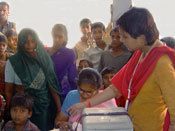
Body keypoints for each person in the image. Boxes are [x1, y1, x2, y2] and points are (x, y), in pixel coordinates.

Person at [67, 7, 175, 131]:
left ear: (141, 37)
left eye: (125, 36)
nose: (122, 40)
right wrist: (85, 104)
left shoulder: (162, 63)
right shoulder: (140, 54)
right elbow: (116, 88)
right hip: (133, 125)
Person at [5, 28, 61, 131]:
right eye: (26, 42)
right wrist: (9, 110)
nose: (30, 45)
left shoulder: (44, 58)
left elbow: (51, 85)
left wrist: (59, 109)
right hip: (21, 109)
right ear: (20, 43)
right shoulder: (14, 62)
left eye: (32, 41)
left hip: (43, 107)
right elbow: (8, 90)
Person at [48, 24, 77, 102]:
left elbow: (72, 77)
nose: (56, 39)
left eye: (60, 37)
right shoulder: (44, 53)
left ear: (65, 38)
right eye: (55, 36)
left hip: (63, 94)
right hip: (46, 94)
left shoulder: (69, 53)